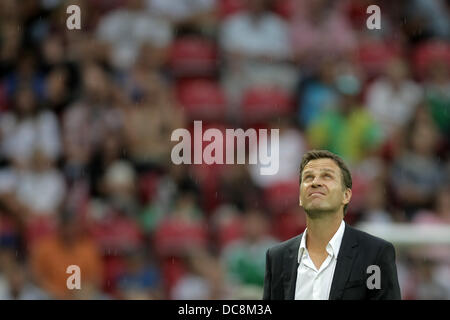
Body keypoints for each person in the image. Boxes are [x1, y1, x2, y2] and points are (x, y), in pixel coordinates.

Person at [263, 150, 401, 300]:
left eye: (327, 176)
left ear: (346, 195)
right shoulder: (277, 258)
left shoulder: (375, 254)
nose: (315, 182)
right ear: (300, 198)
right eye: (308, 177)